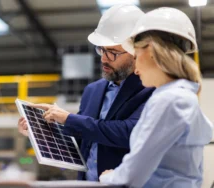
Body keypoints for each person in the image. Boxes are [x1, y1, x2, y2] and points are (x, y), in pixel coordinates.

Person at [18, 4, 155, 181]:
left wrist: (68, 118)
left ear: (135, 52)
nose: (104, 58)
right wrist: (40, 132)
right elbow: (82, 139)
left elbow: (130, 132)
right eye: (101, 50)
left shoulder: (151, 88)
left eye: (112, 52)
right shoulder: (93, 91)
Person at [99, 7, 213, 188]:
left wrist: (109, 176)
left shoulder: (169, 101)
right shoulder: (183, 97)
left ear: (151, 50)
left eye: (136, 56)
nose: (135, 69)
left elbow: (131, 175)